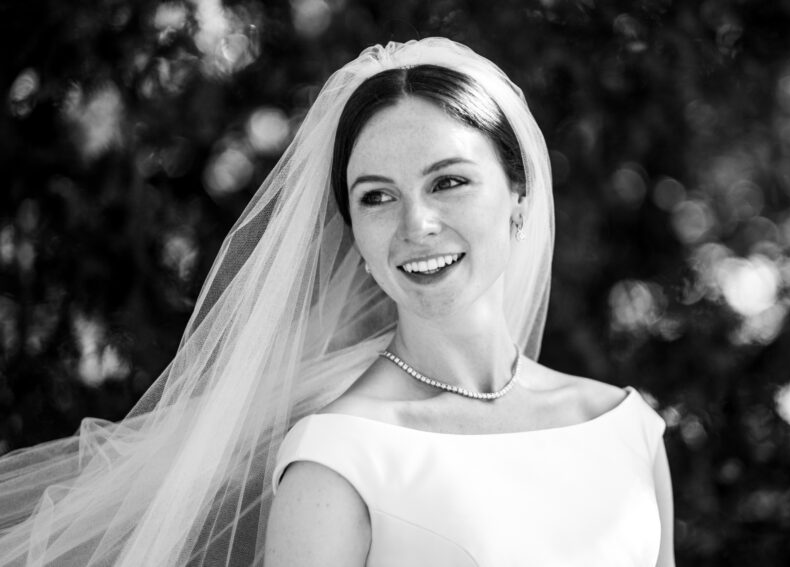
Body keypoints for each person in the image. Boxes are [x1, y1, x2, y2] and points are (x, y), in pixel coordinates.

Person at [0, 38, 673, 566]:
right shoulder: (338, 458)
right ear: (353, 231)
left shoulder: (627, 429)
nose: (417, 224)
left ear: (518, 199)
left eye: (449, 181)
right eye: (377, 196)